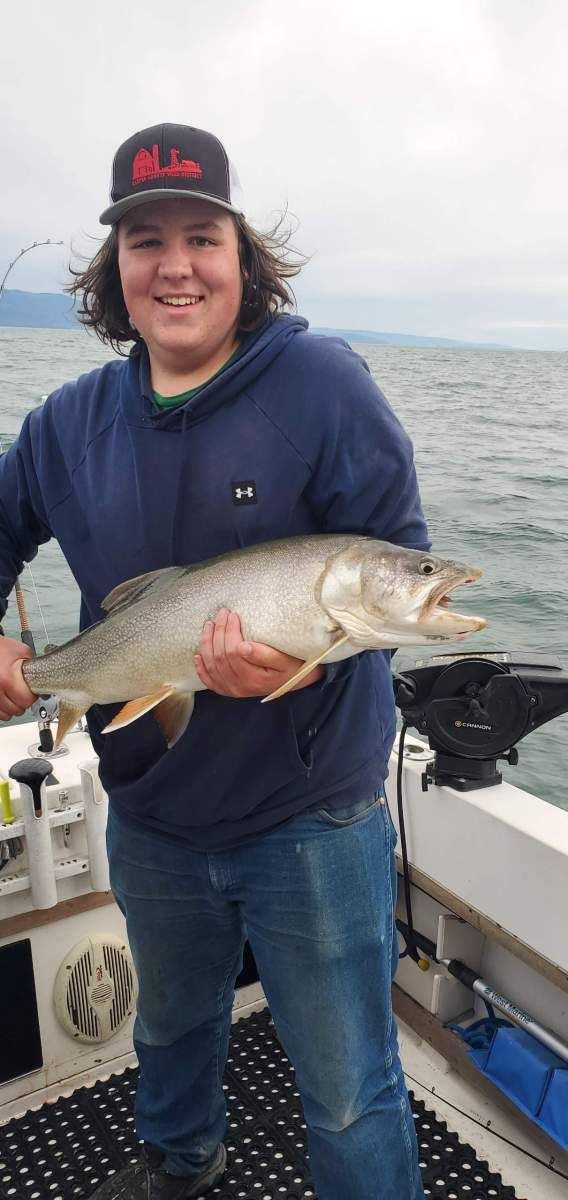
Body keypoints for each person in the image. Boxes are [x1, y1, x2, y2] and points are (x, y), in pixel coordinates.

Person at [0, 123, 429, 1200]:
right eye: (146, 240)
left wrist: (310, 666)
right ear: (115, 270)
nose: (175, 265)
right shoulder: (66, 425)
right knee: (173, 1026)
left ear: (244, 259)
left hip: (313, 817)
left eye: (202, 236)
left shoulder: (326, 390)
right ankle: (179, 1167)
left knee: (345, 1089)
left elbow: (394, 570)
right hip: (151, 807)